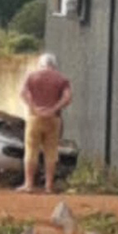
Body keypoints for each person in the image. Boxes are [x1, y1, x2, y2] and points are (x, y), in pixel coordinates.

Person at [17, 53, 72, 194]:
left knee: (31, 150)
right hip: (53, 119)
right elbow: (67, 97)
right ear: (54, 65)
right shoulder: (62, 79)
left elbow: (22, 93)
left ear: (40, 64)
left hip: (34, 117)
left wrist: (34, 107)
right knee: (51, 152)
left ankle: (29, 184)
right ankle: (48, 186)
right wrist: (54, 108)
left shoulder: (31, 76)